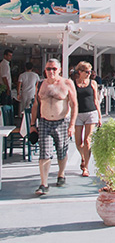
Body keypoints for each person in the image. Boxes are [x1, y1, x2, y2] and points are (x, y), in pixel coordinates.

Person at [30, 58, 78, 195]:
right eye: (48, 69)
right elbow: (35, 105)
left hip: (61, 121)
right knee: (44, 152)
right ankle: (43, 184)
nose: (51, 71)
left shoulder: (67, 83)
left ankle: (61, 174)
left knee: (61, 151)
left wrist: (72, 125)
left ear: (60, 70)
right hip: (44, 122)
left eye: (54, 69)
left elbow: (74, 105)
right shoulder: (40, 85)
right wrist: (33, 124)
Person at [73, 61, 101, 177]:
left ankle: (86, 168)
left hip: (91, 113)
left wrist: (99, 116)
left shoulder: (93, 83)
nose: (89, 74)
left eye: (90, 72)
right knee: (78, 142)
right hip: (78, 114)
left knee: (87, 141)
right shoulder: (73, 84)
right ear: (80, 72)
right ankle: (83, 157)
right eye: (87, 72)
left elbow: (96, 100)